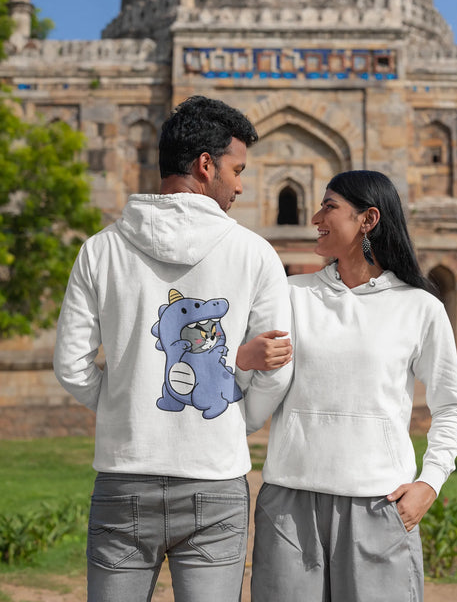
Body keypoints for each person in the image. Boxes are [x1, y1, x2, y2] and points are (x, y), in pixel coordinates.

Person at [54, 95, 292, 602]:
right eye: (237, 170)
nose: (240, 186)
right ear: (206, 165)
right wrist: (236, 419)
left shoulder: (101, 249)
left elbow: (71, 366)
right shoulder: (254, 254)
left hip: (125, 476)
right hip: (215, 480)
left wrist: (127, 408)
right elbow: (276, 365)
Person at [250, 170, 457, 602]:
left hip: (378, 504)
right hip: (291, 504)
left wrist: (430, 482)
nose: (315, 217)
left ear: (368, 219)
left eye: (329, 207)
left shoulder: (419, 307)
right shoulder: (291, 295)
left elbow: (452, 406)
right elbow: (255, 379)